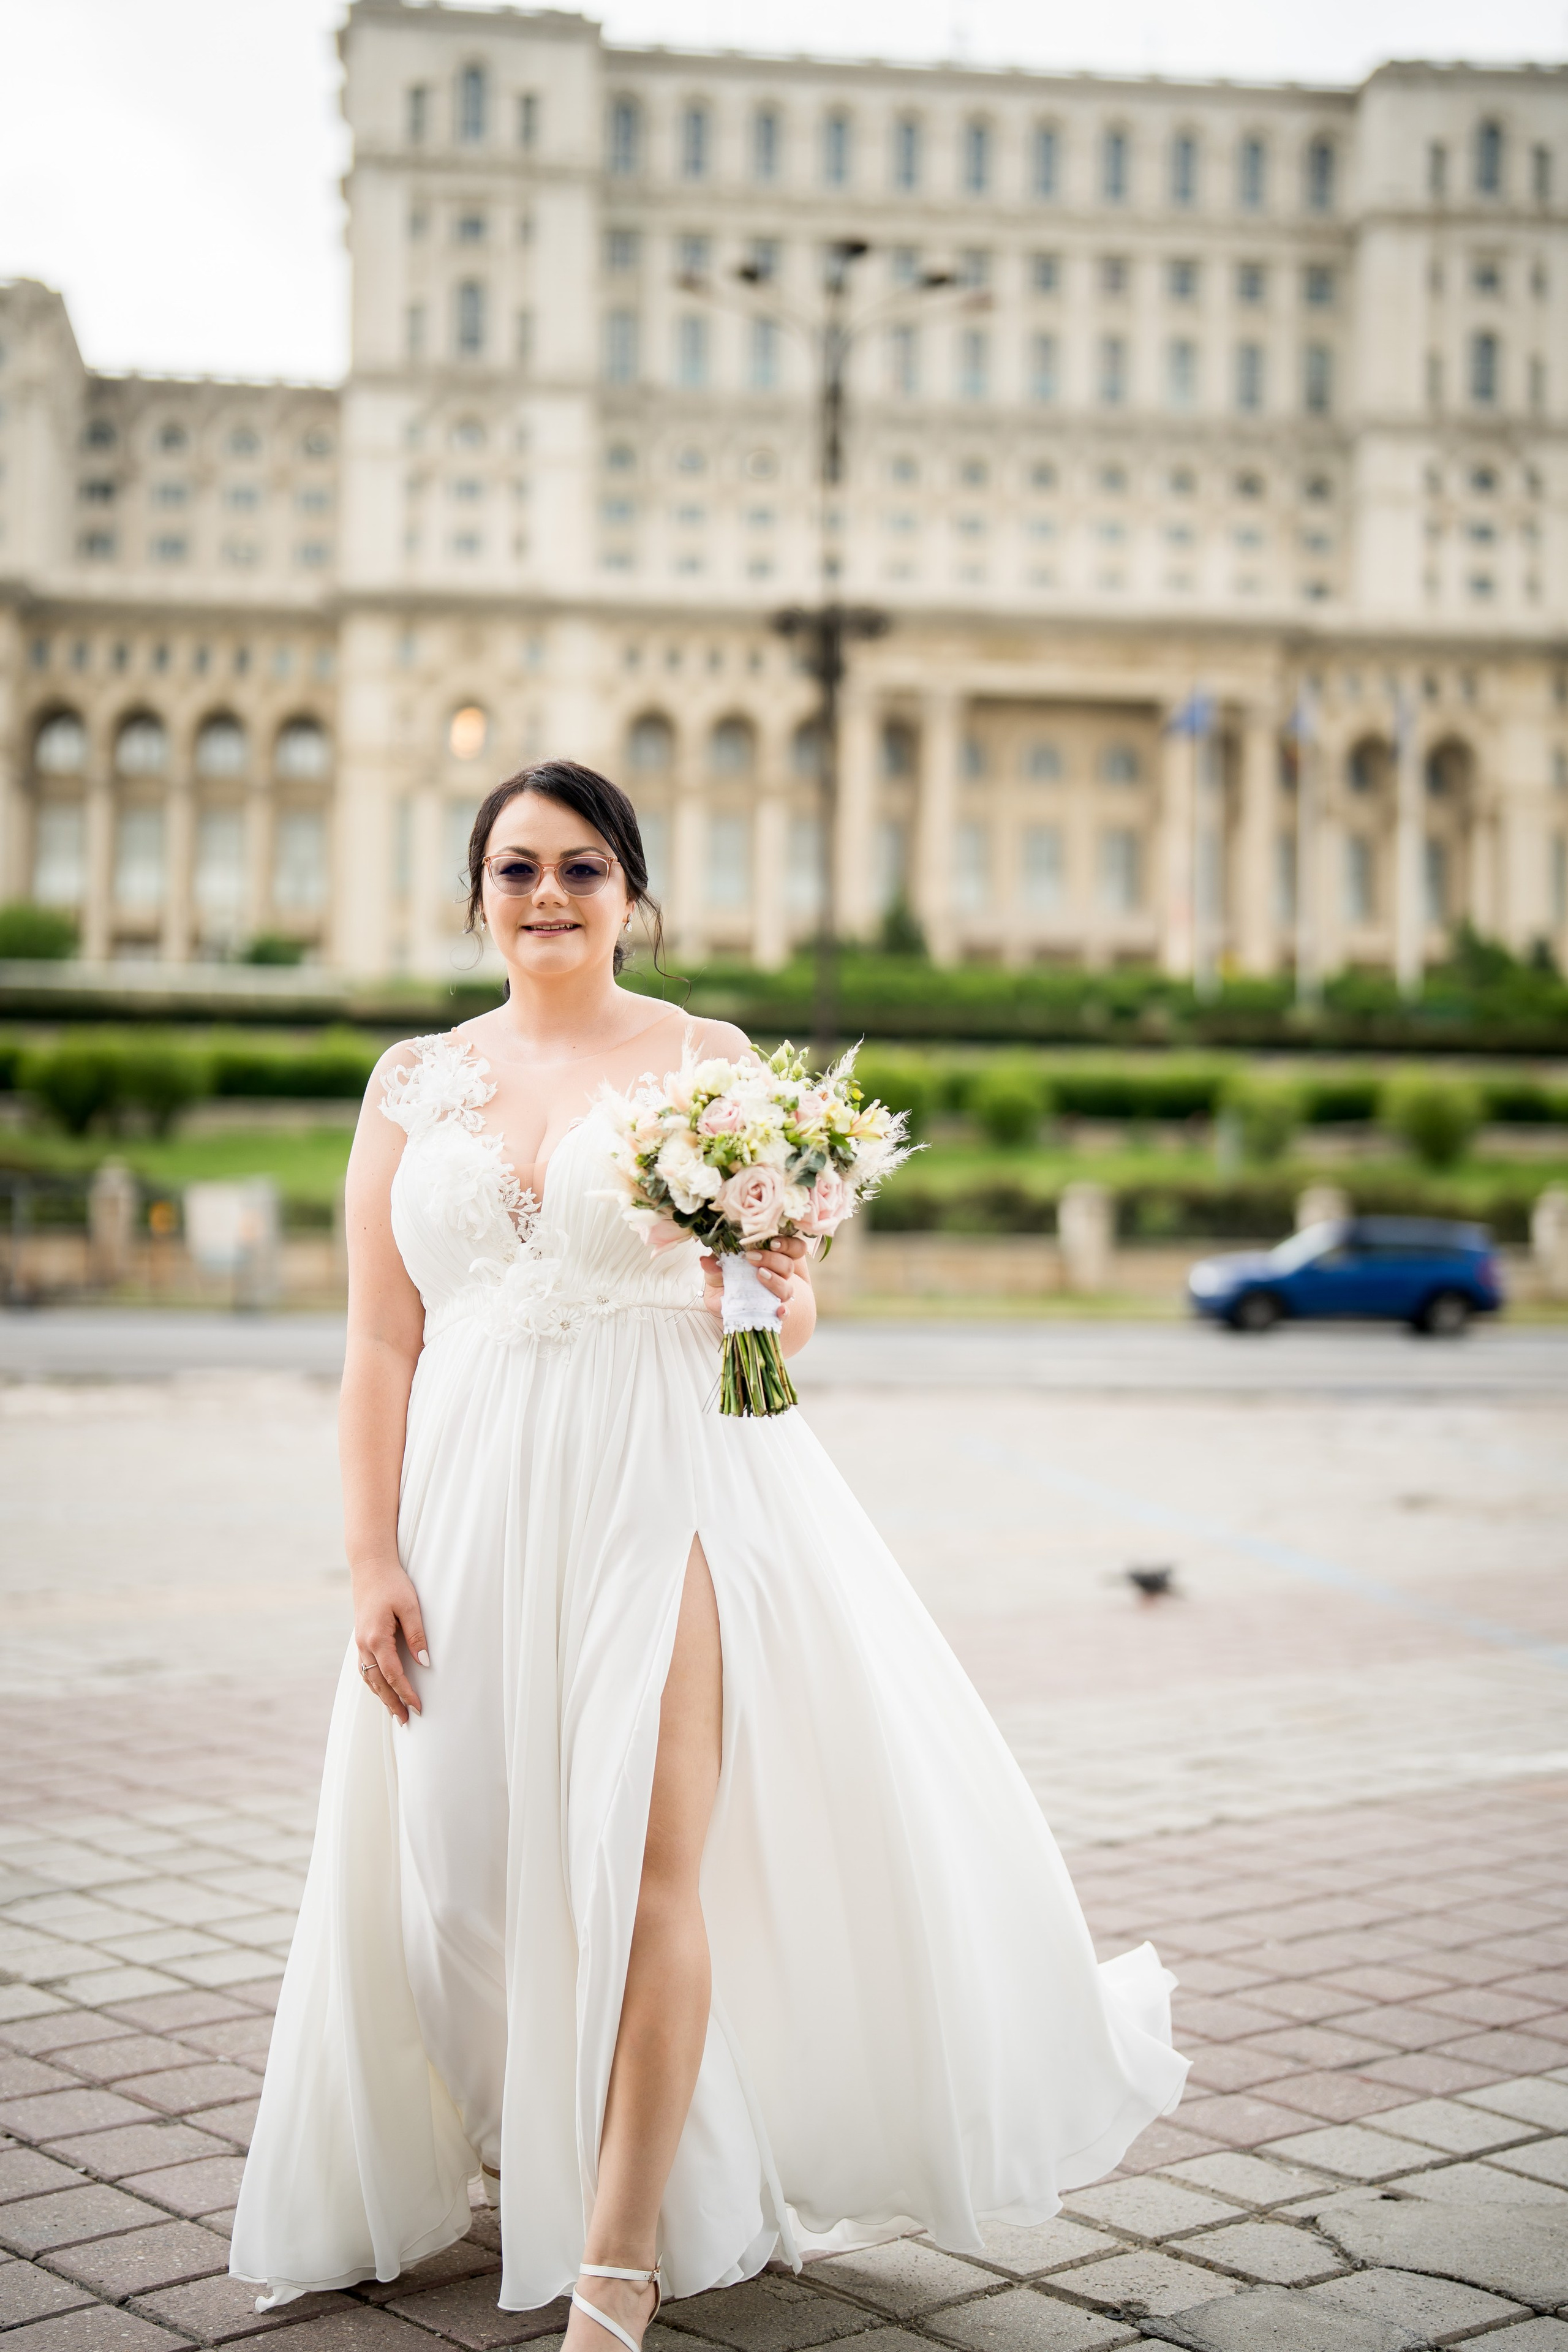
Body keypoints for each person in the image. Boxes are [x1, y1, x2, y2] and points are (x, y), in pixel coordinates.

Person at [230, 759, 1186, 2336]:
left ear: (631, 895)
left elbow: (782, 1320)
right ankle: (529, 2134)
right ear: (476, 893)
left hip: (663, 1478)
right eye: (519, 867)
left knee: (642, 1861)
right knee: (457, 1878)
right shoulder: (411, 1083)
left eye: (584, 868)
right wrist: (368, 1560)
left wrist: (773, 1269)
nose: (549, 894)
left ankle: (614, 2254)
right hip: (466, 1496)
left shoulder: (706, 1059)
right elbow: (378, 1347)